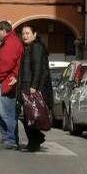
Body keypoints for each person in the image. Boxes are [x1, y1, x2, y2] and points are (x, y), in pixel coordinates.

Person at [18, 24, 53, 152]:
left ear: (35, 34)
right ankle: (36, 139)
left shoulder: (36, 47)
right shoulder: (28, 47)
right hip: (26, 85)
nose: (25, 36)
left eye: (27, 33)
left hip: (32, 87)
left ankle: (34, 142)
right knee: (27, 115)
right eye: (23, 34)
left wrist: (34, 86)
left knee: (30, 115)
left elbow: (38, 68)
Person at [0, 21, 23, 150]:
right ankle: (8, 137)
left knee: (6, 112)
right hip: (5, 81)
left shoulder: (11, 42)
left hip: (6, 82)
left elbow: (7, 63)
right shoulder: (8, 41)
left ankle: (10, 140)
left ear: (3, 31)